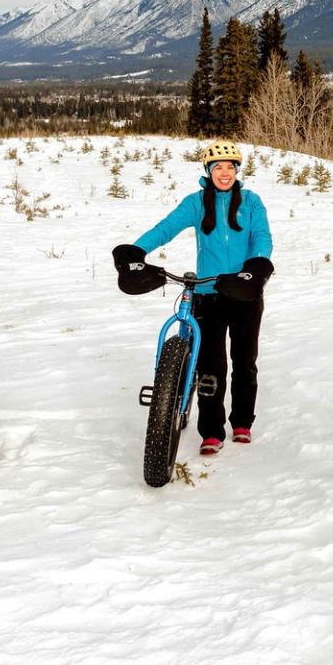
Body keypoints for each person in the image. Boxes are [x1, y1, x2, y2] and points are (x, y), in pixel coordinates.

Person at [114, 141, 273, 456]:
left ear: (237, 171)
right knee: (210, 365)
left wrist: (256, 266)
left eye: (230, 167)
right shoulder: (197, 203)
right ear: (208, 172)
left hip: (244, 290)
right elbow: (166, 228)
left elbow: (261, 237)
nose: (224, 173)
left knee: (245, 361)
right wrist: (137, 251)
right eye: (218, 168)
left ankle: (242, 422)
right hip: (207, 294)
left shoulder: (252, 202)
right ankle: (211, 431)